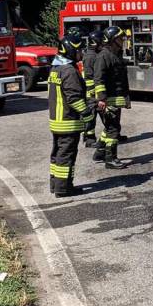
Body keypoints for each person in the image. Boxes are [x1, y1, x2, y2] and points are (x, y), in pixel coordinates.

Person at [48, 34, 92, 197]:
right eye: (79, 49)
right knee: (66, 157)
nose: (81, 53)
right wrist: (87, 114)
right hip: (68, 122)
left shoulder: (56, 68)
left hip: (57, 121)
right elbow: (74, 98)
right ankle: (64, 188)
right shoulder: (69, 71)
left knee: (57, 155)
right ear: (70, 51)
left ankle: (55, 184)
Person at [92, 26, 129, 169]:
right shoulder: (103, 56)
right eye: (120, 38)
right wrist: (101, 98)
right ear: (113, 40)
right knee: (113, 129)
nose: (122, 40)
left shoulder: (115, 54)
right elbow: (98, 79)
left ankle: (100, 152)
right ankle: (110, 158)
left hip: (115, 98)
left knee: (109, 127)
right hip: (108, 99)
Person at [81, 29, 102, 149]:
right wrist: (93, 92)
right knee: (91, 116)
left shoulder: (94, 54)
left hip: (94, 90)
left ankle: (114, 134)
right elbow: (89, 76)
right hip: (91, 92)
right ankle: (89, 139)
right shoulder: (90, 56)